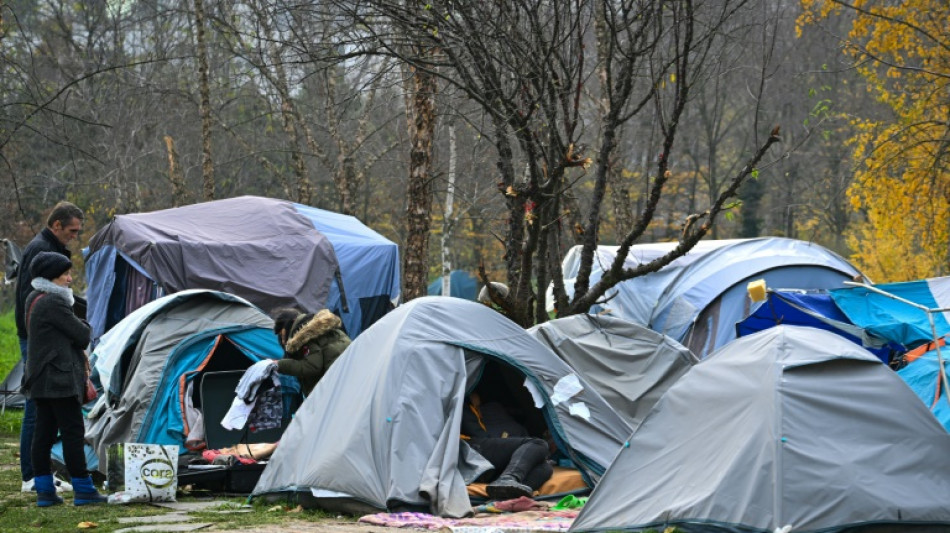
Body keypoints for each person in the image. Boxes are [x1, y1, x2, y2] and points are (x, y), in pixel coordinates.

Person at [22, 252, 106, 506]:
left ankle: (45, 491)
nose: (70, 278)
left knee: (44, 434)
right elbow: (82, 335)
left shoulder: (33, 297)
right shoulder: (54, 302)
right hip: (58, 379)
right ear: (51, 276)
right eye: (65, 274)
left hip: (40, 377)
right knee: (72, 432)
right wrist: (81, 322)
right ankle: (83, 489)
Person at [14, 201, 84, 494]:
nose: (75, 236)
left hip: (40, 336)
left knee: (43, 414)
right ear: (56, 225)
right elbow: (35, 298)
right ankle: (31, 476)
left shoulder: (46, 247)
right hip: (40, 340)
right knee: (38, 409)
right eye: (72, 230)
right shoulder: (41, 250)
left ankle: (40, 477)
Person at [460, 392, 553, 501]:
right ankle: (508, 478)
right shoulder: (460, 404)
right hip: (465, 448)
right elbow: (478, 434)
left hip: (479, 463)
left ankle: (503, 497)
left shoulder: (477, 408)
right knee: (538, 443)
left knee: (544, 468)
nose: (477, 396)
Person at [269, 308, 351, 396]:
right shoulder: (323, 328)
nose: (283, 341)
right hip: (350, 375)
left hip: (336, 386)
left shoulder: (305, 336)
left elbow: (312, 366)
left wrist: (279, 364)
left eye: (283, 335)